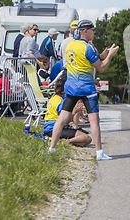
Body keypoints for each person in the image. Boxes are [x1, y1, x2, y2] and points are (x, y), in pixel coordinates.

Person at [48, 20, 119, 160]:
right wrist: (110, 55)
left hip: (71, 88)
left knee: (61, 119)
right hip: (87, 89)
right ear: (85, 31)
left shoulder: (70, 45)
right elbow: (101, 68)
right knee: (94, 120)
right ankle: (99, 153)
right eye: (92, 30)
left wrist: (101, 56)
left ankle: (52, 148)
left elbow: (83, 60)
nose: (94, 32)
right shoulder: (89, 47)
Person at [43, 78, 92, 146]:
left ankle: (65, 141)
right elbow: (64, 123)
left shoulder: (53, 98)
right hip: (55, 130)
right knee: (87, 138)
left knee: (82, 142)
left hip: (47, 129)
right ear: (64, 91)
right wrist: (74, 112)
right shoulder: (62, 102)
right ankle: (64, 142)